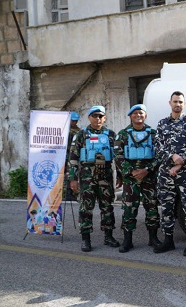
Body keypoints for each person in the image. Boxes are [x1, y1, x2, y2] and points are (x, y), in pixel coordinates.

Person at [153, 91, 186, 256]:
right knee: (166, 208)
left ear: (184, 104)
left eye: (180, 102)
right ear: (170, 103)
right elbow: (158, 146)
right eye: (175, 101)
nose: (178, 104)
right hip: (166, 173)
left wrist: (180, 164)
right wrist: (172, 157)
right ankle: (168, 240)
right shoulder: (162, 123)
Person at [68, 105, 119, 252]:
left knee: (107, 207)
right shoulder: (81, 135)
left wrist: (120, 176)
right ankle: (86, 239)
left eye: (100, 116)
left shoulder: (110, 134)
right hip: (86, 178)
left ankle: (108, 236)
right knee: (86, 208)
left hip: (105, 177)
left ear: (104, 118)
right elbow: (73, 157)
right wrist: (73, 179)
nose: (98, 119)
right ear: (89, 117)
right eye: (95, 116)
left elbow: (117, 156)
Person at [113, 104, 161, 253]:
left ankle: (153, 238)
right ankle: (127, 240)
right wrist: (132, 171)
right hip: (130, 179)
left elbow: (160, 155)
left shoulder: (153, 134)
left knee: (151, 207)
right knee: (129, 209)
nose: (138, 115)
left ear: (145, 116)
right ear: (130, 116)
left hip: (149, 177)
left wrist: (146, 170)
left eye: (141, 113)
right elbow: (118, 155)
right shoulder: (122, 134)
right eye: (135, 113)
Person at [64, 111, 81, 201]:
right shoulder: (64, 130)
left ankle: (72, 194)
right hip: (65, 155)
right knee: (67, 175)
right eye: (72, 121)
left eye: (75, 121)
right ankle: (67, 194)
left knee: (73, 174)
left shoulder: (78, 131)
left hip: (73, 155)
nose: (74, 122)